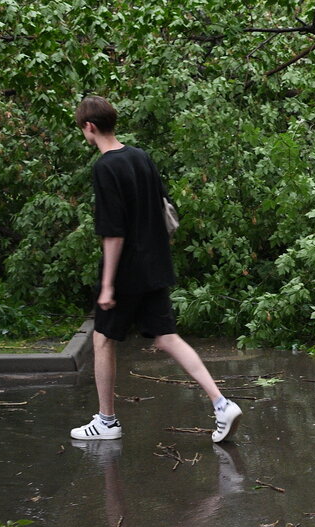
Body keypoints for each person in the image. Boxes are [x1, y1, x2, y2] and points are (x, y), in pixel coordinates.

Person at [69, 95, 241, 443]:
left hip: (126, 272)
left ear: (89, 126)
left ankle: (106, 421)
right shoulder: (141, 157)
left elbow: (113, 231)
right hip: (155, 264)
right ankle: (221, 403)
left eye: (82, 129)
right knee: (168, 337)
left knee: (102, 339)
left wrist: (106, 285)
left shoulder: (105, 167)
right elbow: (165, 209)